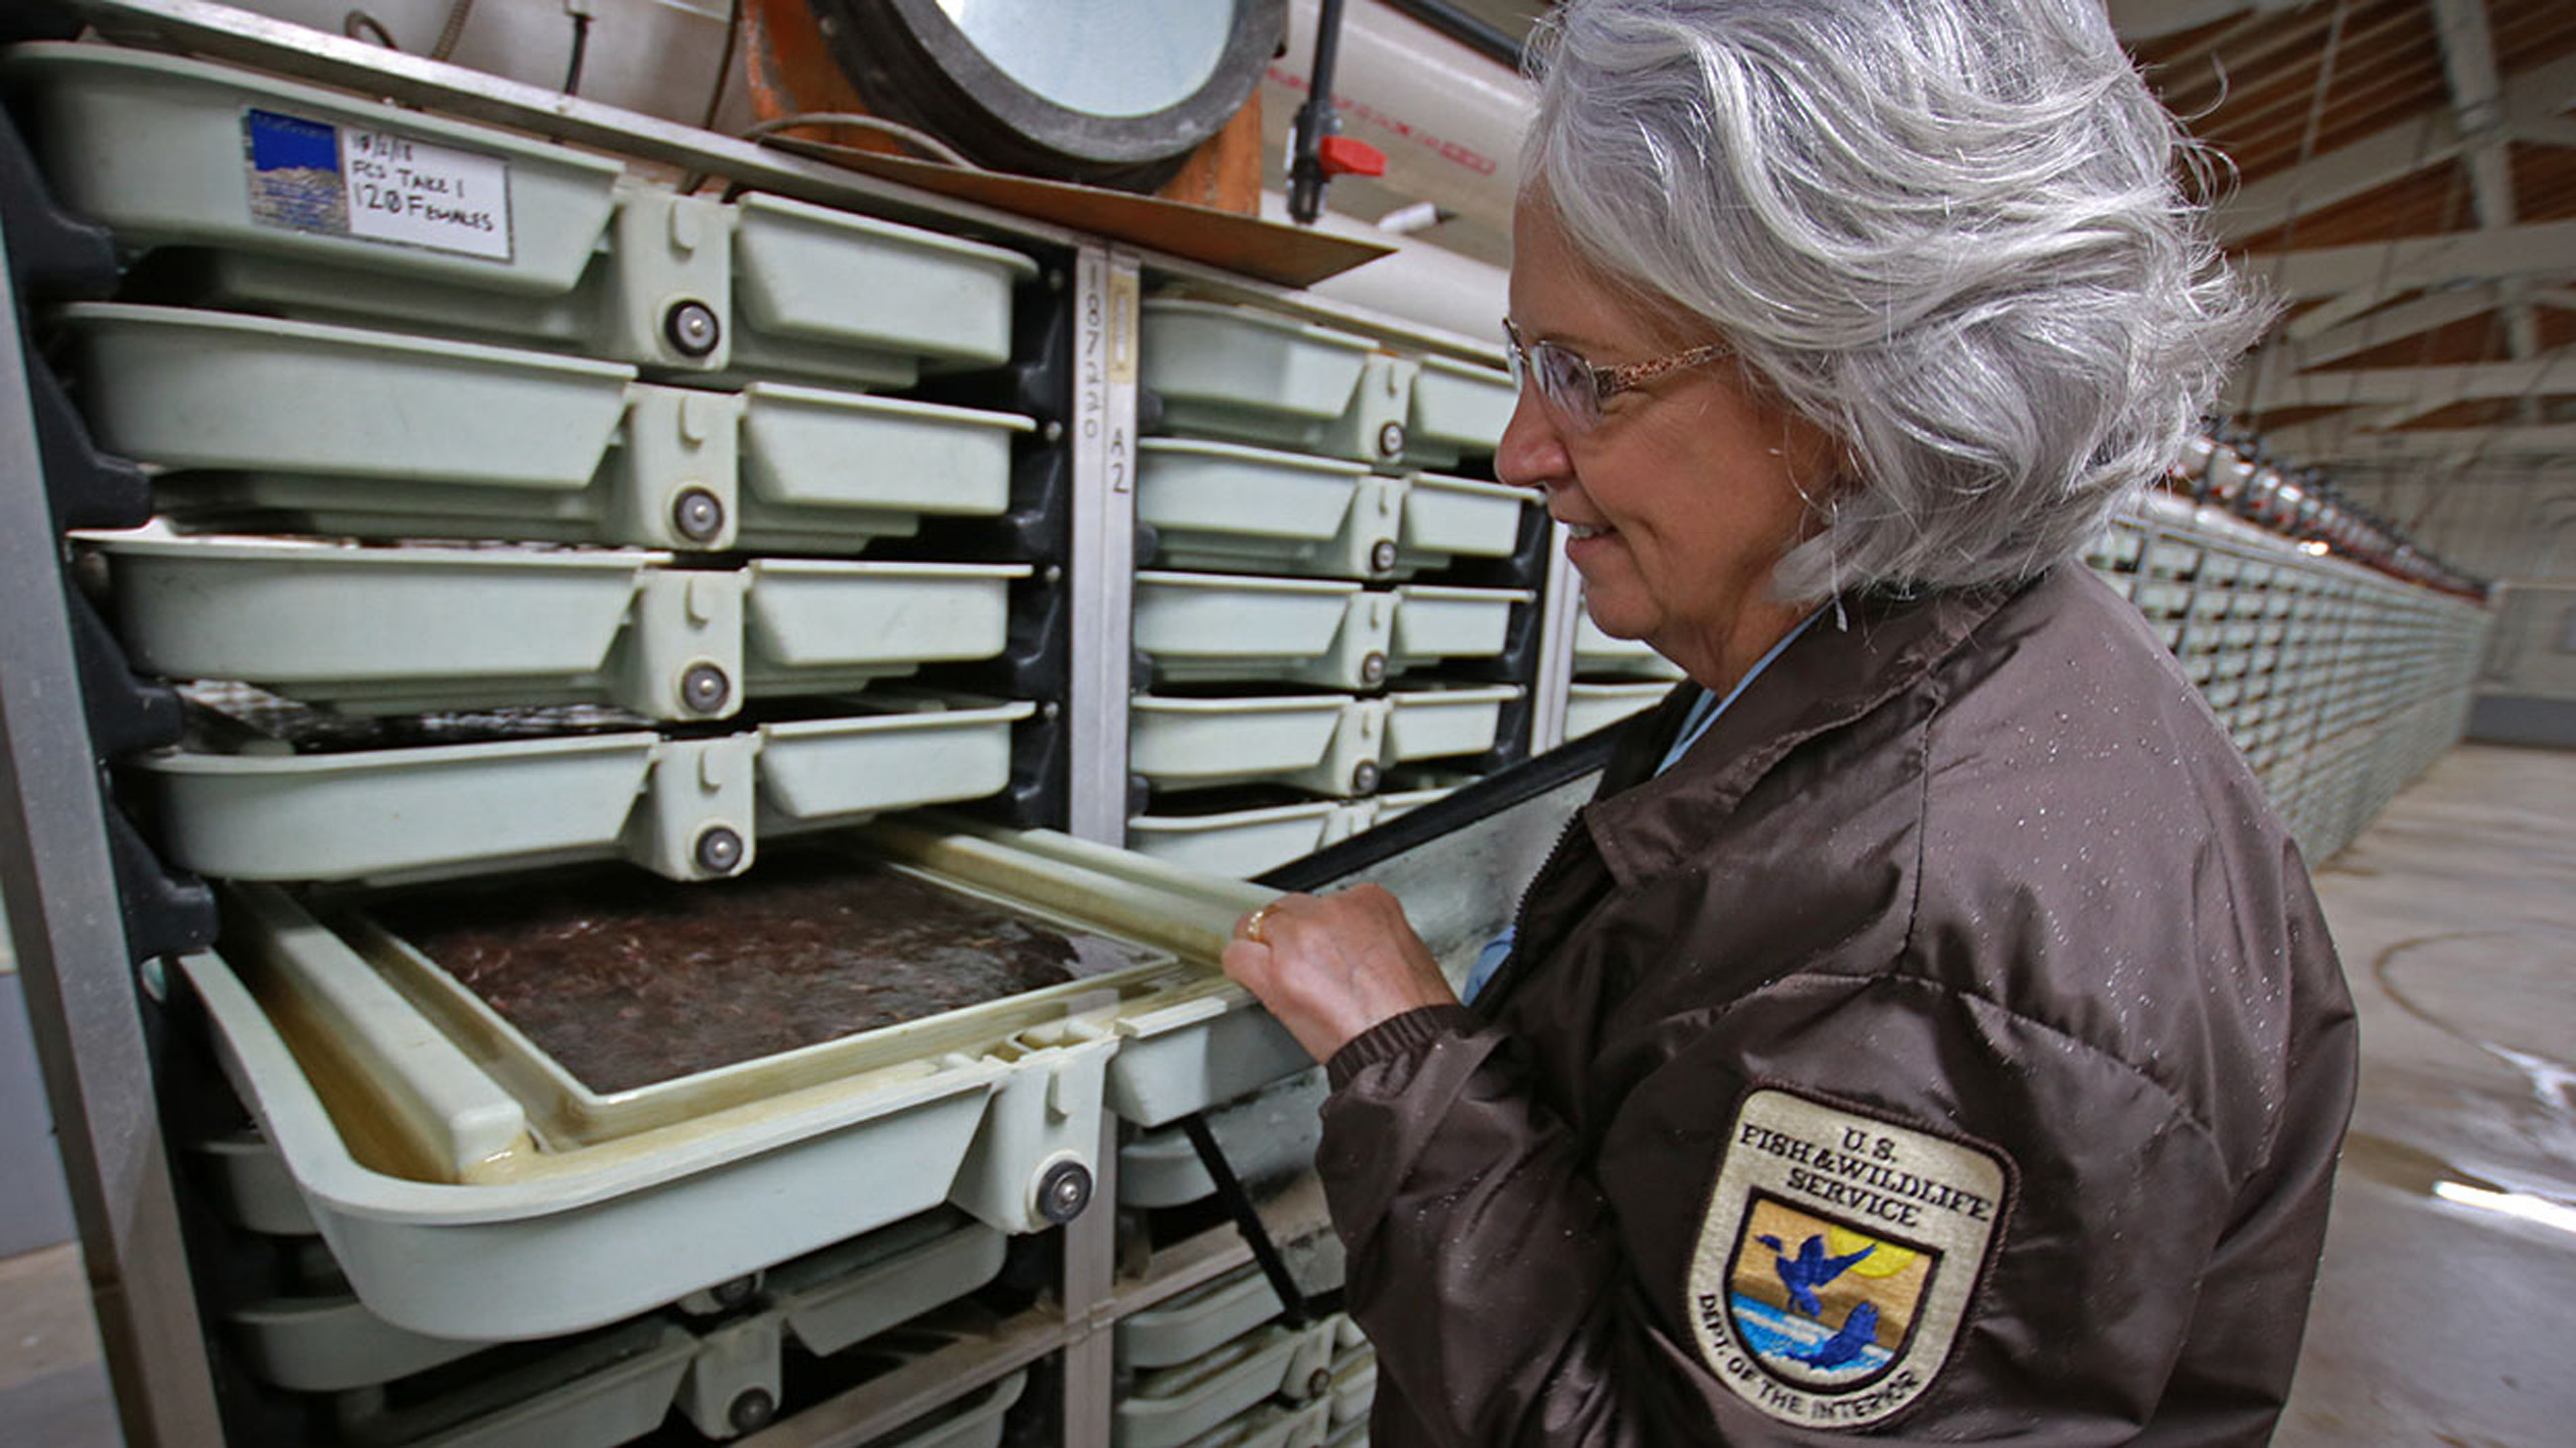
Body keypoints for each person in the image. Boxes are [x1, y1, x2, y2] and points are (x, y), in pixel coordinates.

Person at [1218, 1, 2357, 1443]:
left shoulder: (1926, 971)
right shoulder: (1960, 666)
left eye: (1586, 373)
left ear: (1855, 393)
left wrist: (1412, 1066)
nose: (1522, 448)